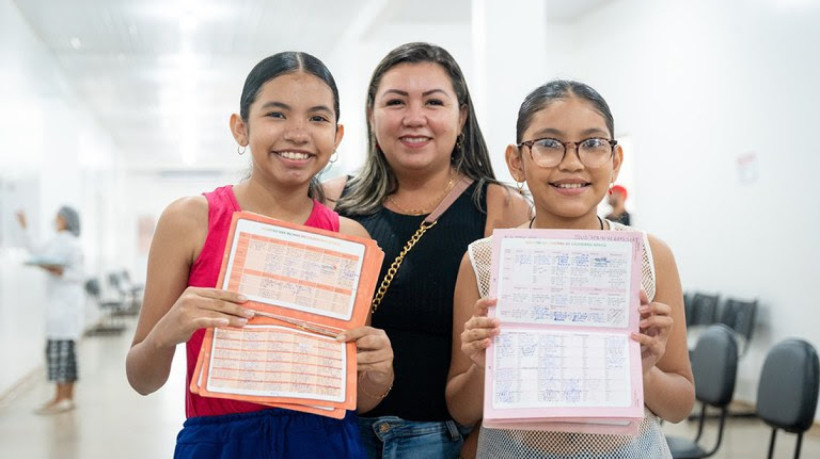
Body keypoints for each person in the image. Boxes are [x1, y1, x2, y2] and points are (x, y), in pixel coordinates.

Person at [125, 51, 394, 458]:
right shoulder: (190, 221)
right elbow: (142, 379)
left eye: (318, 118)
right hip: (220, 443)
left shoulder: (348, 238)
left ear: (337, 137)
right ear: (240, 128)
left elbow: (358, 397)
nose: (299, 133)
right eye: (277, 114)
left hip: (325, 443)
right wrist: (168, 330)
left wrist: (380, 369)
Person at [446, 80, 694, 458]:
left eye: (593, 143)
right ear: (516, 161)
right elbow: (460, 408)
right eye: (548, 143)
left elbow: (680, 405)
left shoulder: (650, 256)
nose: (572, 162)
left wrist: (643, 369)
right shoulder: (484, 261)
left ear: (615, 161)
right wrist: (484, 367)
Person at [325, 42, 531, 458]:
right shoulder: (331, 201)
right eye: (396, 102)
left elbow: (512, 353)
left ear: (462, 117)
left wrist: (478, 444)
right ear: (371, 115)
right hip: (337, 435)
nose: (414, 118)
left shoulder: (500, 206)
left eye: (434, 102)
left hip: (444, 441)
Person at [16, 206, 85, 415]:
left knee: (63, 354)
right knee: (59, 353)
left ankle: (64, 397)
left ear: (65, 220)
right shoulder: (58, 241)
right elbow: (37, 250)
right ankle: (61, 397)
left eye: (57, 218)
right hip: (59, 307)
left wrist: (55, 269)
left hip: (66, 307)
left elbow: (76, 274)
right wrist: (25, 227)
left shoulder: (71, 244)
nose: (54, 221)